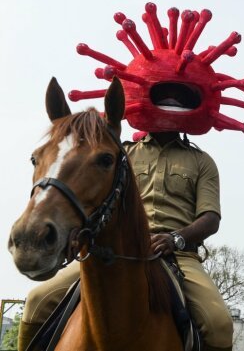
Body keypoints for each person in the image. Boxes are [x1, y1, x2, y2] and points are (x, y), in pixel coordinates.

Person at [18, 130, 233, 351]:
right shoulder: (122, 154)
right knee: (36, 301)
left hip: (178, 254)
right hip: (114, 249)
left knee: (219, 324)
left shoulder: (202, 161)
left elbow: (210, 219)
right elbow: (95, 198)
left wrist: (175, 238)